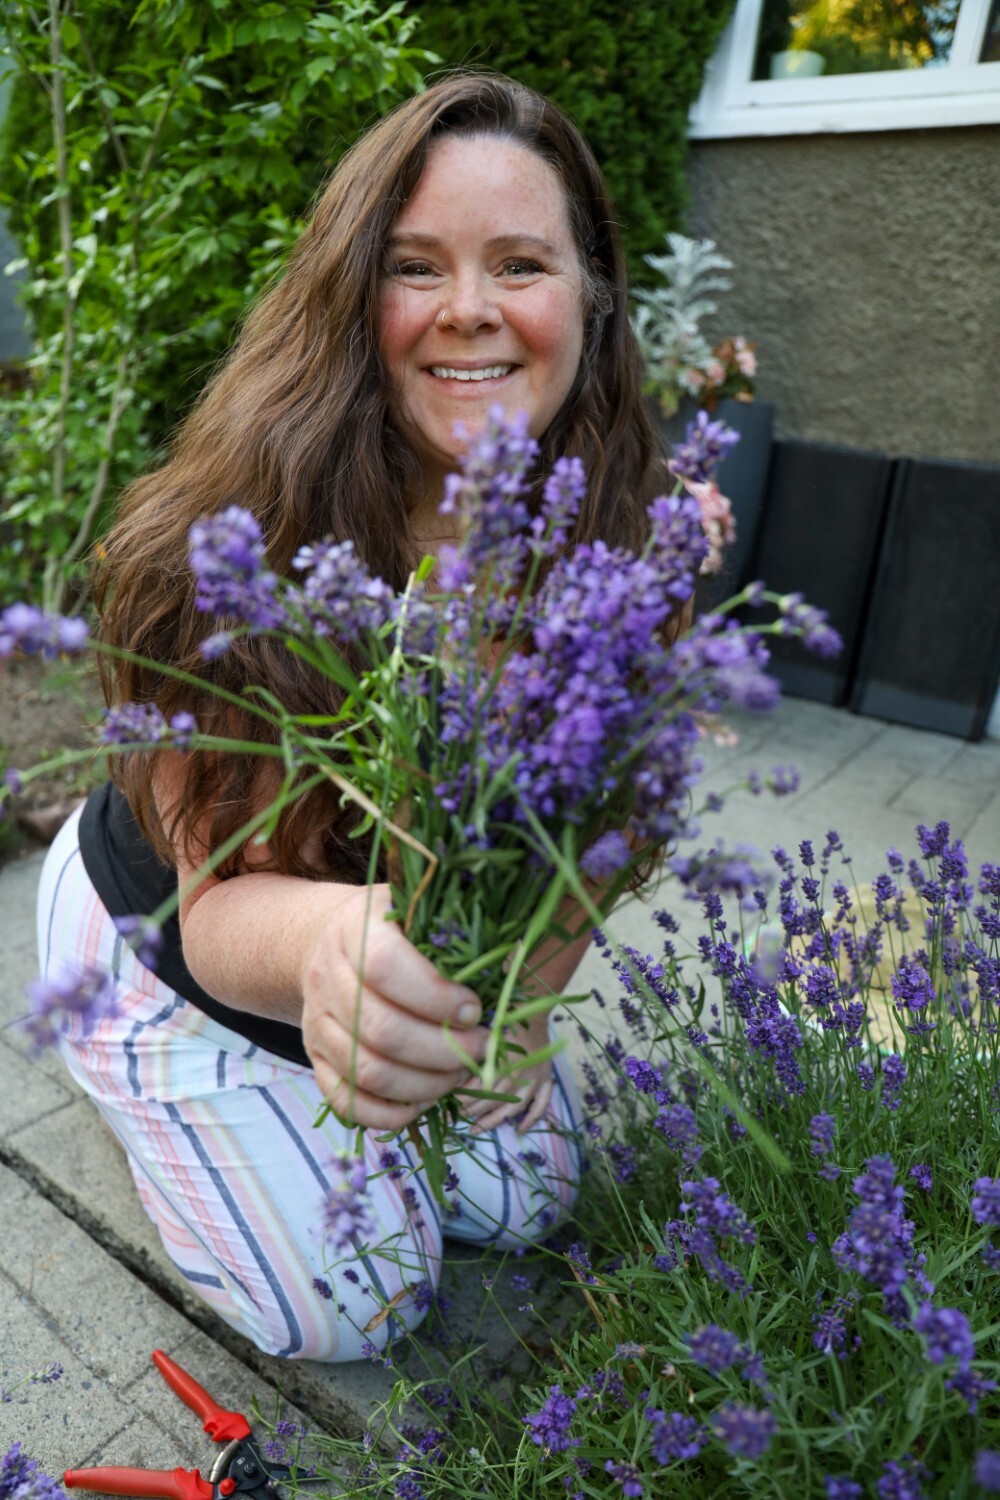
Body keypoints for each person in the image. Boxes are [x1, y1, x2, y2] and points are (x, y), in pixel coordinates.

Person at [35, 72, 676, 1361]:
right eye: (417, 266)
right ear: (349, 293)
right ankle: (117, 1064)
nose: (473, 311)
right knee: (356, 1307)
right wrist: (338, 941)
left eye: (520, 264)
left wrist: (524, 995)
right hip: (179, 935)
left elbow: (604, 835)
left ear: (592, 300)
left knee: (528, 1202)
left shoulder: (620, 544)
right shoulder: (226, 539)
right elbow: (215, 904)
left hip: (408, 959)